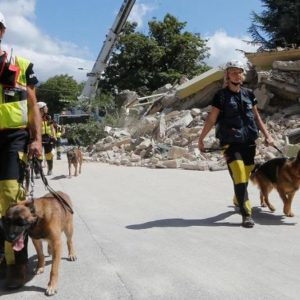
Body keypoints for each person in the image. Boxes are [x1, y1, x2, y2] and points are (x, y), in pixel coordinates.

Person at [198, 60, 275, 228]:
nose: (236, 75)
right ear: (227, 75)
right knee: (239, 174)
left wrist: (268, 136)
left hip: (249, 142)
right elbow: (211, 118)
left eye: (239, 72)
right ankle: (246, 214)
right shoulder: (221, 96)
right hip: (230, 143)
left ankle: (237, 197)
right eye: (233, 72)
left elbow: (257, 117)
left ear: (242, 75)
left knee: (245, 175)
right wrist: (201, 138)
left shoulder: (249, 94)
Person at [0, 11, 42, 288]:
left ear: (1, 31)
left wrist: (36, 139)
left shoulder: (20, 65)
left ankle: (17, 266)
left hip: (12, 138)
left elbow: (31, 107)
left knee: (11, 200)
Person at [37, 101, 56, 175]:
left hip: (48, 138)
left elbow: (52, 128)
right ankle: (37, 171)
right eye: (45, 107)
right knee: (39, 155)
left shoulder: (48, 117)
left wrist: (54, 136)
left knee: (49, 155)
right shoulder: (36, 118)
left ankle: (50, 169)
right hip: (39, 138)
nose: (47, 108)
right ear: (41, 109)